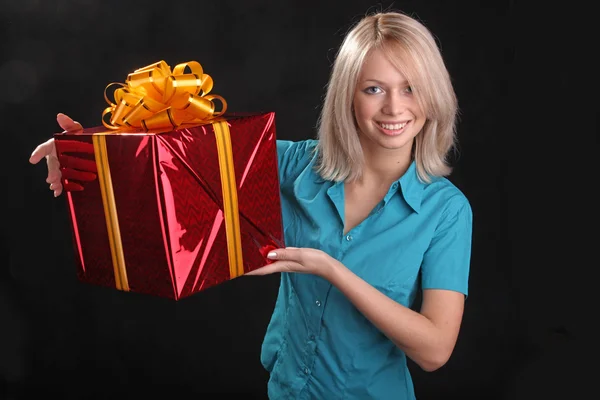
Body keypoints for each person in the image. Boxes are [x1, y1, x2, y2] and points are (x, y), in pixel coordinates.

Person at [30, 10, 473, 400]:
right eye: (374, 88)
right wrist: (87, 149)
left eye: (411, 88)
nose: (394, 107)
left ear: (433, 95)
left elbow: (435, 351)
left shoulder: (447, 212)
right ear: (348, 97)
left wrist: (330, 269)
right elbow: (178, 158)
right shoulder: (298, 165)